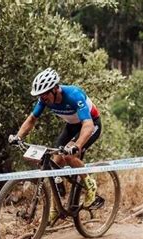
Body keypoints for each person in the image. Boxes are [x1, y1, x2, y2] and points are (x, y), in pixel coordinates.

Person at [9, 68, 101, 223]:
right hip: (72, 126)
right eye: (40, 95)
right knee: (54, 164)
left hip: (91, 125)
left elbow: (88, 124)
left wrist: (76, 146)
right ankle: (56, 208)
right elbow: (32, 119)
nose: (42, 98)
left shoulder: (73, 95)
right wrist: (18, 136)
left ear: (55, 89)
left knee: (69, 155)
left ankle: (90, 184)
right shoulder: (44, 100)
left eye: (45, 94)